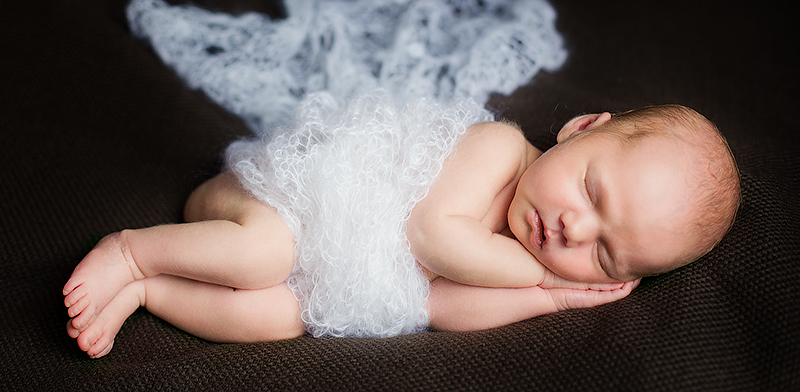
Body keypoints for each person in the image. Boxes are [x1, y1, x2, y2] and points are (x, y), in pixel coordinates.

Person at [63, 100, 739, 358]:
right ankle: (132, 251)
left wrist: (549, 299)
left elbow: (437, 306)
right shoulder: (499, 148)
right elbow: (432, 237)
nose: (573, 229)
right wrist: (535, 274)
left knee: (276, 318)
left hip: (328, 276)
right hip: (284, 201)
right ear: (581, 128)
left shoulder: (513, 261)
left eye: (605, 252)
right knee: (265, 255)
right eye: (591, 191)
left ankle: (149, 290)